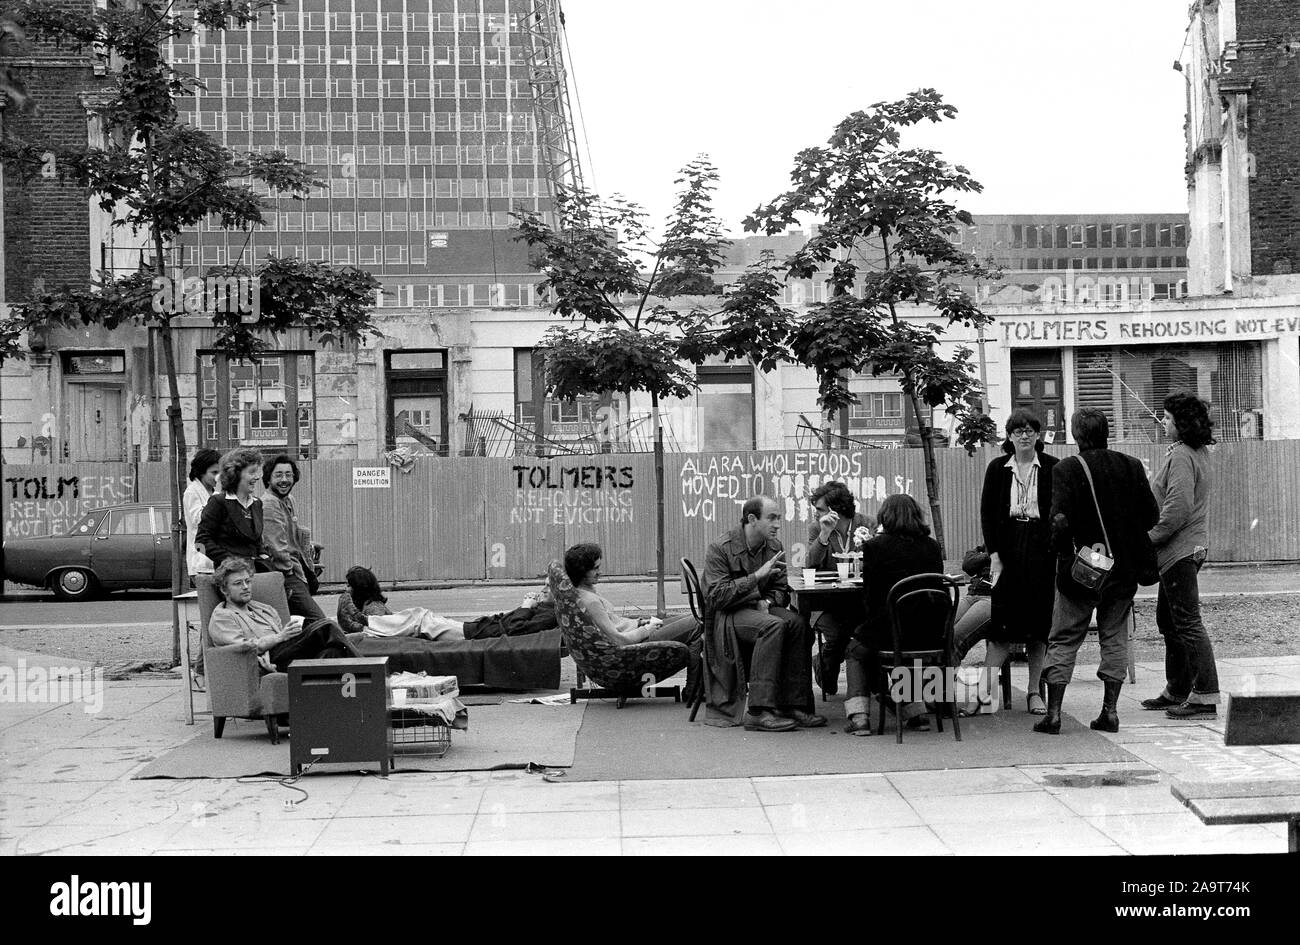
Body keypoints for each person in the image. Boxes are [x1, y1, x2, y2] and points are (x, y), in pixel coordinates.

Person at [1036, 408, 1159, 735]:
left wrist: (1061, 552)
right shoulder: (1131, 466)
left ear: (1077, 436)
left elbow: (1059, 522)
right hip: (1122, 571)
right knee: (1114, 636)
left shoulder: (1066, 469)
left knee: (1064, 637)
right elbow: (1150, 517)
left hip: (1083, 570)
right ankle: (1110, 712)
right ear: (1106, 431)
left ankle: (1053, 715)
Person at [701, 496, 825, 732]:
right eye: (772, 518)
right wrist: (756, 578)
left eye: (778, 518)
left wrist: (768, 601)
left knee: (799, 623)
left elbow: (782, 589)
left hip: (760, 609)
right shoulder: (721, 547)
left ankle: (793, 705)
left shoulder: (774, 547)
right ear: (752, 519)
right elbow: (716, 597)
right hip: (728, 615)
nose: (778, 524)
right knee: (773, 626)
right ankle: (758, 711)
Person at [1141, 391, 1221, 718]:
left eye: (1168, 418)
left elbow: (1177, 508)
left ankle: (1204, 694)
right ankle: (1177, 688)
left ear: (1181, 424)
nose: (1163, 422)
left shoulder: (1182, 456)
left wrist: (1149, 537)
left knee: (1186, 622)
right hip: (1189, 546)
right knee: (1169, 619)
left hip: (1179, 549)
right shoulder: (1196, 452)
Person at [843, 493, 944, 735]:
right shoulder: (932, 547)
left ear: (885, 517)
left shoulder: (875, 547)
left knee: (856, 649)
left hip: (892, 633)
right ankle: (916, 713)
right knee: (901, 647)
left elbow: (872, 599)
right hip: (929, 635)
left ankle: (859, 717)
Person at [980, 408, 1059, 714]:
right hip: (1008, 548)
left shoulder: (1053, 467)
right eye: (1018, 431)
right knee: (1001, 627)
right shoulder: (997, 468)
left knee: (1039, 629)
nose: (1024, 436)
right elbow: (988, 515)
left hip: (1041, 550)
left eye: (1030, 430)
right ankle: (983, 695)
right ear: (1009, 437)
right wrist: (995, 556)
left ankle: (1034, 692)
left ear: (1038, 436)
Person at [207, 557, 360, 674]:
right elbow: (241, 648)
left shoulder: (265, 609)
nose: (246, 587)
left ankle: (325, 710)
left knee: (333, 653)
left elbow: (288, 643)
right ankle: (374, 675)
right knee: (326, 626)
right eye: (238, 583)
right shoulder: (223, 616)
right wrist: (278, 638)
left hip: (283, 656)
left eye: (248, 581)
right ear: (224, 589)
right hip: (263, 660)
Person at [804, 480, 876, 695]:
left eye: (819, 509)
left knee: (860, 633)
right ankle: (824, 670)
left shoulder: (867, 524)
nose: (816, 514)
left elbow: (876, 560)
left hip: (859, 601)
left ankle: (871, 685)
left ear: (836, 510)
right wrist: (824, 534)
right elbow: (810, 564)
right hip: (827, 603)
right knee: (837, 636)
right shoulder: (817, 528)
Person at [565, 543, 700, 646]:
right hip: (638, 645)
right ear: (581, 571)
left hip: (636, 634)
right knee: (697, 622)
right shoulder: (591, 602)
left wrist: (639, 622)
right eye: (595, 568)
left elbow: (615, 624)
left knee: (694, 616)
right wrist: (647, 629)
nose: (599, 572)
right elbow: (618, 639)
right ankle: (694, 682)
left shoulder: (584, 593)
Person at [260, 454, 327, 623]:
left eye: (288, 475)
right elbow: (276, 548)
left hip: (298, 568)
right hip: (287, 574)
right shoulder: (269, 504)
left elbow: (290, 535)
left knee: (300, 624)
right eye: (278, 475)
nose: (284, 480)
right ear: (268, 479)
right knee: (319, 621)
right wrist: (290, 574)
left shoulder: (289, 500)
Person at [196, 448, 274, 572]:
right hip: (230, 577)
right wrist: (230, 561)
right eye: (252, 472)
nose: (257, 477)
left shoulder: (257, 504)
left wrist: (263, 555)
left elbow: (257, 542)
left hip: (256, 575)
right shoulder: (218, 502)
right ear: (235, 474)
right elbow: (200, 544)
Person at [183, 448, 221, 690]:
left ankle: (202, 669)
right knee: (210, 619)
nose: (217, 477)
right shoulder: (192, 493)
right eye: (213, 472)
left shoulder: (209, 491)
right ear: (200, 471)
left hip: (212, 562)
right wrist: (218, 498)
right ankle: (200, 670)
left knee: (214, 618)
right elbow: (199, 518)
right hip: (202, 564)